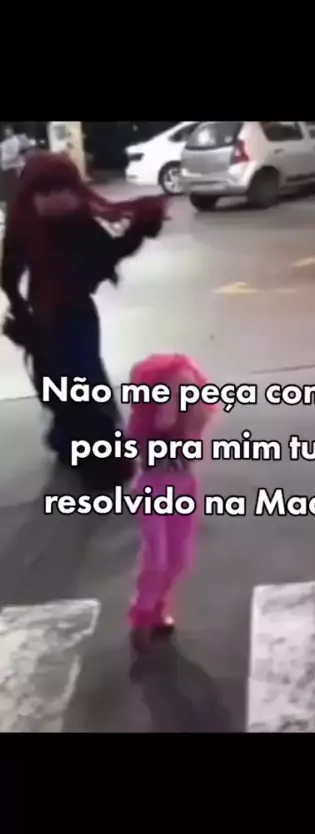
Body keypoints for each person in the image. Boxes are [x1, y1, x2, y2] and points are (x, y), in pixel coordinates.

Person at [1, 152, 167, 489]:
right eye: (45, 190)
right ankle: (74, 443)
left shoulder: (79, 224)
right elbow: (9, 275)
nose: (56, 197)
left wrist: (139, 230)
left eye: (62, 188)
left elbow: (109, 254)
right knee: (60, 389)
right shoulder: (25, 228)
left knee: (84, 385)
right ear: (32, 193)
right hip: (44, 320)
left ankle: (98, 456)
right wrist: (21, 313)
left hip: (77, 318)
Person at [126, 353, 217, 653]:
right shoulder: (148, 426)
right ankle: (142, 615)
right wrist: (168, 405)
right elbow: (156, 426)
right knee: (157, 559)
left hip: (184, 489)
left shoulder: (191, 423)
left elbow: (195, 428)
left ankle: (157, 606)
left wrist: (187, 411)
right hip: (153, 491)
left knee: (178, 558)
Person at [0, 126, 22, 206]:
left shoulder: (15, 141)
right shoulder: (5, 142)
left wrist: (3, 159)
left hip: (13, 167)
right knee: (7, 187)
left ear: (12, 132)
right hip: (5, 167)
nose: (7, 133)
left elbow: (14, 154)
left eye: (8, 131)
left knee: (14, 186)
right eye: (6, 132)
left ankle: (17, 201)